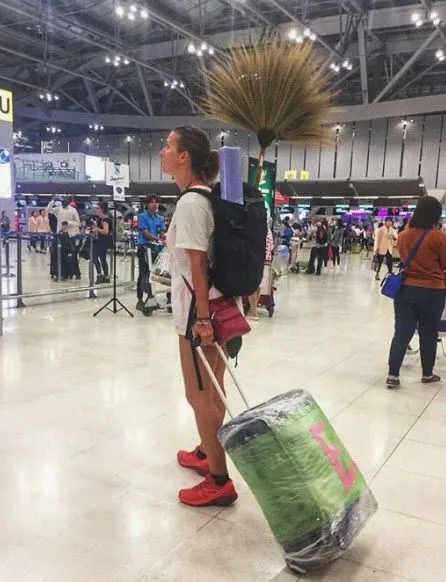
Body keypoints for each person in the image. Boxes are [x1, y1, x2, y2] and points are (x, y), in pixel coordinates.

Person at [161, 125, 238, 508]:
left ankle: (219, 480)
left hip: (199, 315)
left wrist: (203, 321)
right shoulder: (205, 197)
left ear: (184, 157)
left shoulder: (191, 203)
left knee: (198, 396)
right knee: (214, 390)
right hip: (219, 307)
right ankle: (208, 451)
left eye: (168, 146)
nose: (162, 152)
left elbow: (197, 266)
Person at [386, 196, 446, 389]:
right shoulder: (438, 238)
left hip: (406, 290)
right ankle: (427, 374)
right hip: (433, 292)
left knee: (402, 333)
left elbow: (404, 258)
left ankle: (393, 375)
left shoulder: (403, 235)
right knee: (428, 333)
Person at [136, 195, 166, 311]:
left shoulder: (160, 218)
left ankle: (151, 296)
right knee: (143, 273)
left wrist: (165, 238)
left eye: (156, 202)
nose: (155, 205)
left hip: (155, 249)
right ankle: (140, 299)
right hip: (144, 248)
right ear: (147, 204)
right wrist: (158, 239)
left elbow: (162, 233)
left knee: (154, 274)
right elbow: (145, 233)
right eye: (152, 202)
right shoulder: (142, 216)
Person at [47, 196, 81, 279]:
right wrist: (53, 201)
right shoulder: (58, 209)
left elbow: (78, 223)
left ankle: (77, 273)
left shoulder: (73, 210)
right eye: (62, 200)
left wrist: (68, 223)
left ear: (69, 201)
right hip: (60, 235)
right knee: (60, 255)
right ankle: (63, 273)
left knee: (72, 255)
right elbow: (48, 210)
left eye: (65, 200)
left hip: (70, 235)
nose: (63, 202)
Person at [247, 225, 274, 319]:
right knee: (258, 287)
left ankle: (254, 313)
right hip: (267, 261)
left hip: (255, 260)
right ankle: (253, 309)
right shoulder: (269, 231)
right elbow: (271, 247)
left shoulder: (254, 229)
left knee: (251, 287)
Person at [91, 201, 112, 284]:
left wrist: (97, 229)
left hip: (103, 241)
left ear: (102, 209)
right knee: (102, 258)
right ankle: (106, 276)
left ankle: (99, 275)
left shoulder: (106, 220)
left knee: (95, 257)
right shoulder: (100, 219)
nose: (96, 210)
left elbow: (105, 231)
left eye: (98, 208)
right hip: (102, 240)